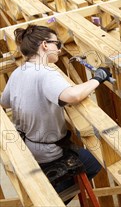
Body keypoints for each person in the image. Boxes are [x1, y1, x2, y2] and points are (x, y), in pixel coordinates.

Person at [0, 25, 107, 195]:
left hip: (26, 146)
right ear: (45, 45)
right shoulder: (45, 73)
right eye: (57, 44)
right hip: (49, 152)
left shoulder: (18, 73)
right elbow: (73, 96)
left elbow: (5, 103)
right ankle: (55, 196)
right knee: (95, 162)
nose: (59, 49)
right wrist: (99, 78)